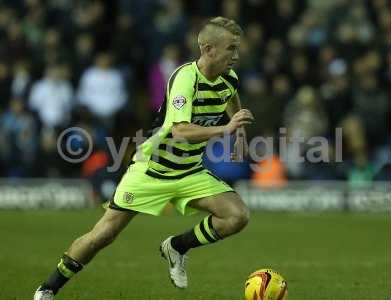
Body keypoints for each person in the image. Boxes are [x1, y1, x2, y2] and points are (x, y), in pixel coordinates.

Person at [34, 16, 254, 299]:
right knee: (104, 234)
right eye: (230, 49)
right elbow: (180, 131)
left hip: (189, 171)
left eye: (237, 49)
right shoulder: (185, 79)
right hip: (151, 169)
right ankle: (48, 288)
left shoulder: (228, 78)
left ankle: (177, 246)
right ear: (208, 48)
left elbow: (232, 98)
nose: (236, 56)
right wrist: (226, 128)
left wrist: (238, 132)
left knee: (237, 216)